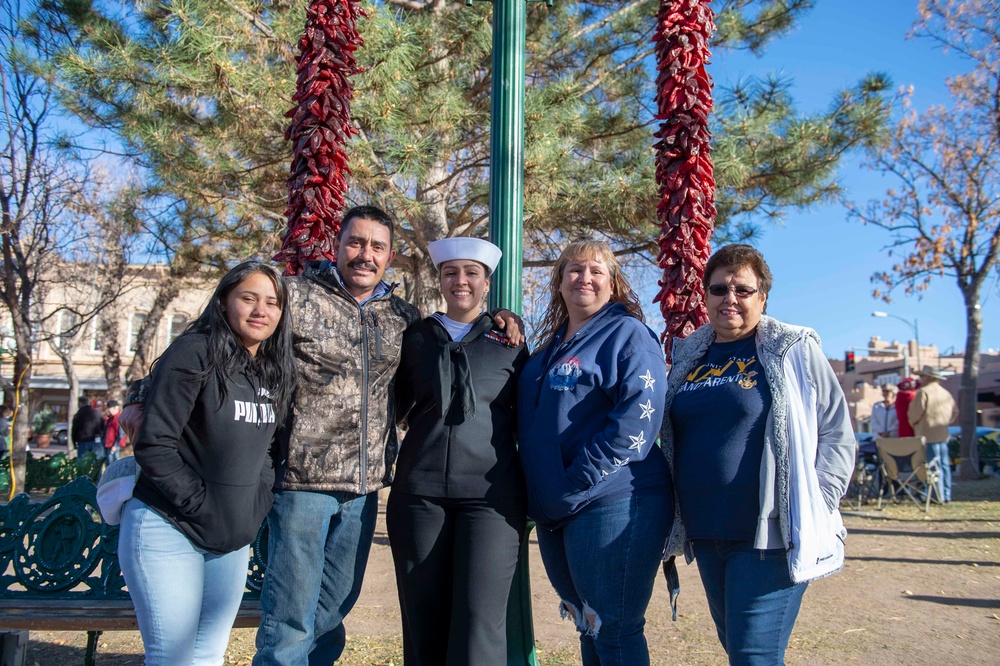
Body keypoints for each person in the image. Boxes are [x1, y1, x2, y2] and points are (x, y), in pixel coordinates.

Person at [253, 206, 524, 665]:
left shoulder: (401, 317)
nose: (365, 254)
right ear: (337, 247)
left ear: (390, 256)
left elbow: (455, 343)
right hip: (303, 481)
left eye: (377, 246)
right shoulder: (293, 297)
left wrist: (500, 315)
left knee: (331, 614)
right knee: (290, 619)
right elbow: (225, 338)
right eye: (356, 243)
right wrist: (142, 395)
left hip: (363, 488)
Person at [661, 243, 855, 665]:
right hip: (707, 534)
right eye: (718, 289)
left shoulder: (793, 350)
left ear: (762, 298)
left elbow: (837, 433)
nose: (729, 298)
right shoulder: (688, 357)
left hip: (770, 536)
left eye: (743, 290)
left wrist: (816, 504)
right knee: (738, 648)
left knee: (753, 655)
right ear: (705, 296)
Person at [119, 260, 296, 665]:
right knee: (173, 657)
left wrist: (253, 505)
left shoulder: (272, 370)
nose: (261, 311)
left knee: (207, 656)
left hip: (230, 542)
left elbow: (270, 450)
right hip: (169, 529)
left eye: (272, 303)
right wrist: (200, 506)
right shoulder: (194, 352)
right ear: (223, 302)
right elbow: (154, 445)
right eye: (248, 298)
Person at [516, 240, 671, 666]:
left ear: (613, 283)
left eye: (596, 271)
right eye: (574, 269)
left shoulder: (628, 334)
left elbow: (638, 417)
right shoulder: (552, 346)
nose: (584, 277)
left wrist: (578, 477)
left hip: (613, 498)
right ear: (559, 281)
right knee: (589, 625)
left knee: (614, 629)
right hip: (556, 508)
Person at [387, 237, 528, 665]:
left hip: (491, 499)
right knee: (423, 622)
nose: (460, 281)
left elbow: (530, 415)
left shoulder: (512, 342)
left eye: (471, 273)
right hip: (419, 496)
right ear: (440, 280)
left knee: (478, 623)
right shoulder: (413, 337)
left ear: (486, 284)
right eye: (451, 273)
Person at [908, 365, 958, 502]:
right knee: (944, 466)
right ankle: (946, 494)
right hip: (942, 434)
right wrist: (945, 422)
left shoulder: (923, 392)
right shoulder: (946, 393)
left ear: (928, 377)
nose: (920, 379)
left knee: (932, 467)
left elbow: (914, 414)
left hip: (927, 435)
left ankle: (937, 496)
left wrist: (915, 424)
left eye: (922, 376)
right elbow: (954, 412)